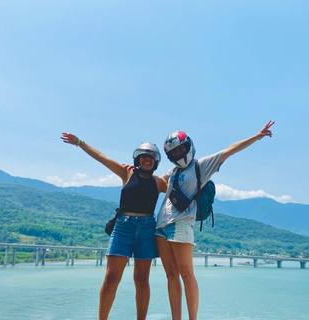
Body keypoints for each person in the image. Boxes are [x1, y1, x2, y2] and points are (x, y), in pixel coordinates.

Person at [155, 121, 275, 320]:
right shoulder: (173, 172)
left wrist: (257, 136)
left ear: (189, 146)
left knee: (186, 274)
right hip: (160, 224)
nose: (178, 154)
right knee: (170, 275)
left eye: (181, 150)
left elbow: (229, 150)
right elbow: (158, 183)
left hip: (182, 222)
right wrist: (134, 171)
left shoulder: (201, 166)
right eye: (174, 153)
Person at [61, 133, 167, 320]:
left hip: (147, 229)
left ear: (156, 161)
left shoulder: (159, 182)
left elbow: (181, 188)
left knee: (142, 279)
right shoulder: (127, 172)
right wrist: (80, 143)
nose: (147, 160)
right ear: (137, 158)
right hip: (123, 227)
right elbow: (102, 158)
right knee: (111, 278)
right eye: (143, 156)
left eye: (150, 157)